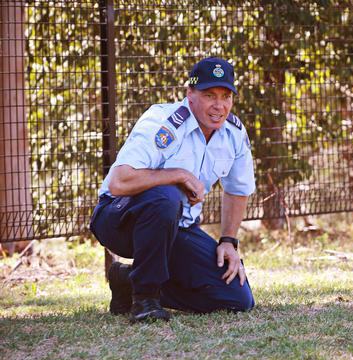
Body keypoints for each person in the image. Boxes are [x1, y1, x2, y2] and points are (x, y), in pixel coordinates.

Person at [89, 57, 255, 323]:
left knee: (237, 298)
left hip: (177, 228)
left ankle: (127, 282)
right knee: (167, 196)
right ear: (190, 94)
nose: (219, 105)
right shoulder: (163, 122)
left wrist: (228, 241)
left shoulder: (233, 133)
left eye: (226, 96)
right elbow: (119, 182)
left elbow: (238, 189)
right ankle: (145, 299)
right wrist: (177, 175)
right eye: (209, 95)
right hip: (119, 219)